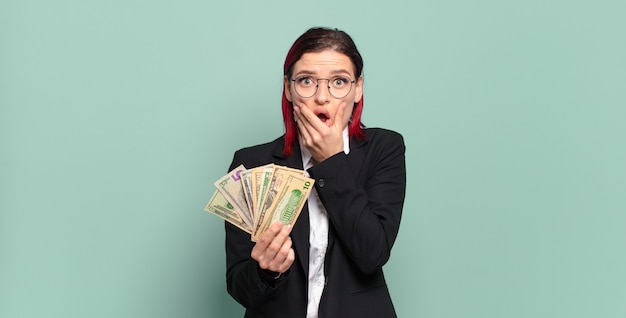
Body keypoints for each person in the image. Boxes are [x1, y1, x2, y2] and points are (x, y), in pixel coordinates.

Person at [224, 27, 406, 318]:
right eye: (307, 81)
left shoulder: (384, 149)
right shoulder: (251, 163)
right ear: (288, 88)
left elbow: (373, 254)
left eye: (338, 81)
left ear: (358, 88)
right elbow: (238, 286)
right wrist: (266, 272)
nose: (322, 97)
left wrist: (330, 161)